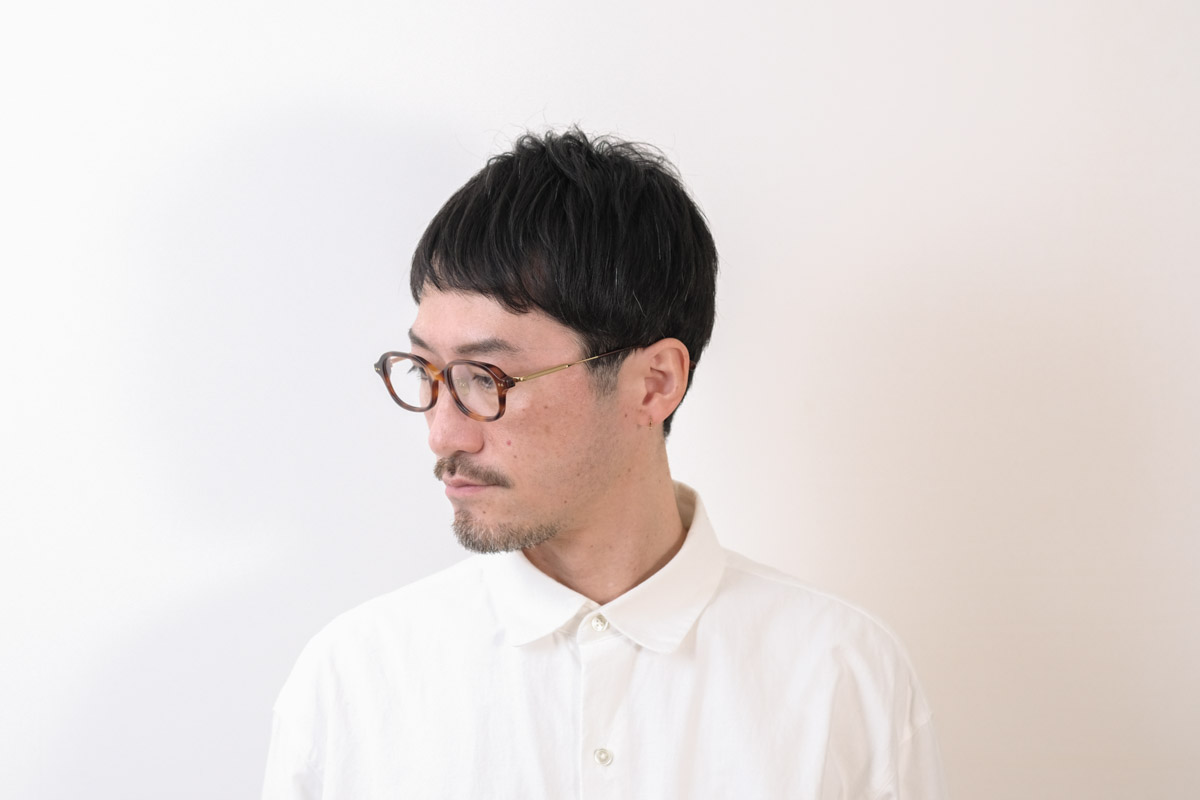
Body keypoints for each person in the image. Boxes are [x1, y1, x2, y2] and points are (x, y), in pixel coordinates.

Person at [262, 130, 949, 799]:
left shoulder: (841, 677)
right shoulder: (354, 685)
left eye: (486, 378)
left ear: (654, 383)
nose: (443, 434)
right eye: (425, 371)